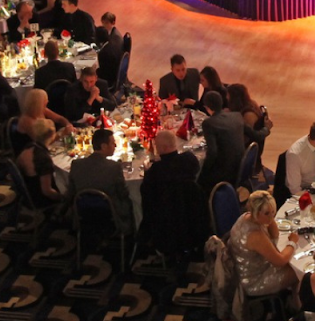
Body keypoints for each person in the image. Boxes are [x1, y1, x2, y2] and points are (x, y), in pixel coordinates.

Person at [140, 129, 203, 257]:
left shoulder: (155, 172)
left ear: (162, 148)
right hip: (193, 219)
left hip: (166, 226)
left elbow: (146, 199)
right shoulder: (190, 160)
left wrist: (148, 172)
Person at [227, 189, 300, 298]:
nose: (271, 217)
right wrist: (292, 242)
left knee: (292, 262)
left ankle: (293, 296)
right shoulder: (255, 235)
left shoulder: (248, 216)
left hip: (253, 267)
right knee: (298, 271)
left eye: (273, 212)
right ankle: (295, 304)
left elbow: (275, 234)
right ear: (255, 211)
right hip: (255, 280)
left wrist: (269, 217)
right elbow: (280, 261)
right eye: (266, 213)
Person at [67, 128, 135, 237]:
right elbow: (123, 194)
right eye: (113, 143)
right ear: (104, 146)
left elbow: (70, 194)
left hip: (83, 215)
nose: (115, 146)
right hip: (110, 216)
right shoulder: (114, 167)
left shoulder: (76, 164)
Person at [199, 90, 246, 190]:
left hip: (224, 173)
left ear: (207, 107)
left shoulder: (209, 123)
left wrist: (203, 171)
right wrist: (266, 129)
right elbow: (254, 134)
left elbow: (212, 152)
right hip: (240, 167)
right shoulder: (237, 116)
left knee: (198, 179)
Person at [16, 118, 63, 208]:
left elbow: (17, 163)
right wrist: (63, 198)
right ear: (51, 134)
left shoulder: (29, 146)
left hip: (25, 192)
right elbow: (47, 191)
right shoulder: (43, 158)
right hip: (38, 199)